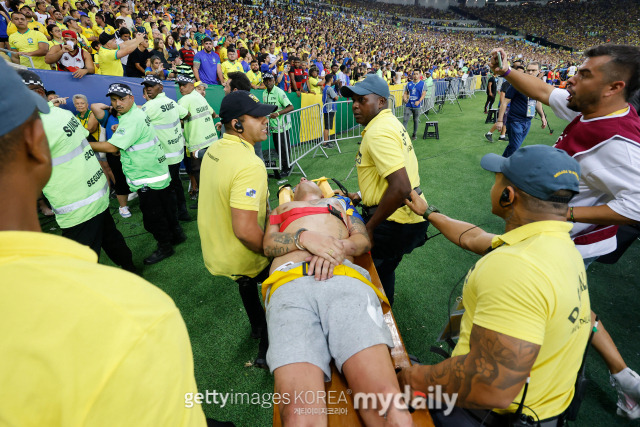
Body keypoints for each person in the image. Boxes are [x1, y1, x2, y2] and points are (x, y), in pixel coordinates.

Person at [0, 60, 207, 427]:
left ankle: (141, 259)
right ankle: (134, 266)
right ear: (34, 145)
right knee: (116, 238)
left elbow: (109, 140)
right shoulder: (140, 313)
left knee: (130, 231)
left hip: (90, 198)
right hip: (97, 194)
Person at [491, 44, 640, 419]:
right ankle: (626, 380)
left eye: (584, 74)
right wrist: (507, 71)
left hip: (568, 243)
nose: (571, 79)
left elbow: (637, 205)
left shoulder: (620, 142)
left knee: (553, 318)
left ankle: (548, 399)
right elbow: (543, 91)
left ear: (613, 87)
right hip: (561, 237)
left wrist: (565, 212)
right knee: (577, 310)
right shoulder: (591, 107)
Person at [399, 145, 590, 426]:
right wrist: (429, 212)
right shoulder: (560, 248)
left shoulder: (516, 266)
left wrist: (412, 377)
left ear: (507, 195)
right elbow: (474, 237)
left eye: (498, 178)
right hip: (544, 412)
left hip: (486, 414)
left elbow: (490, 386)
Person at [261, 178, 412, 426]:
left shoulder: (341, 203)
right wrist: (303, 238)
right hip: (289, 284)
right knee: (299, 415)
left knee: (387, 407)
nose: (302, 178)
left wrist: (331, 249)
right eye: (298, 180)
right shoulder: (280, 210)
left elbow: (362, 241)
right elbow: (268, 245)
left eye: (307, 177)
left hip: (343, 278)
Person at [17, 69, 136, 274]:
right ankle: (131, 270)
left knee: (81, 264)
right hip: (96, 193)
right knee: (111, 238)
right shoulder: (61, 113)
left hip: (76, 204)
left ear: (36, 93)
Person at [197, 90, 277, 368]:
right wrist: (272, 251)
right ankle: (267, 350)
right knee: (278, 288)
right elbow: (245, 230)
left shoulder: (214, 149)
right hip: (242, 251)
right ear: (237, 124)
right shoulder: (249, 163)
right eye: (258, 117)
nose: (267, 120)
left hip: (217, 250)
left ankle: (256, 327)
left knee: (246, 283)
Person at [340, 75, 429, 307]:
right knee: (384, 271)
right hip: (404, 217)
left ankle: (380, 325)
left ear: (381, 102)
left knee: (368, 275)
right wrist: (360, 194)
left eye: (362, 100)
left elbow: (400, 186)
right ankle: (385, 311)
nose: (355, 106)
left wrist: (370, 227)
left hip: (393, 222)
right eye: (353, 101)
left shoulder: (378, 131)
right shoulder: (389, 123)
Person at [90, 83, 185, 265]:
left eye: (121, 99)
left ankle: (165, 246)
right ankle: (177, 235)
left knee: (153, 218)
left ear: (131, 99)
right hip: (157, 172)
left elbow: (112, 147)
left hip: (147, 177)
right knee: (167, 208)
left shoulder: (132, 118)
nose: (117, 103)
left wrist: (84, 144)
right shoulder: (136, 114)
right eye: (113, 100)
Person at [141, 75, 191, 222]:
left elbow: (137, 123)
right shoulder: (171, 102)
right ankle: (183, 213)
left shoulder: (149, 106)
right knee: (176, 183)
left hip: (162, 155)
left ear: (160, 87)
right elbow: (187, 114)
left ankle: (173, 218)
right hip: (176, 151)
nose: (148, 88)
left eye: (151, 85)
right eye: (146, 86)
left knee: (165, 189)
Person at [177, 75, 219, 203]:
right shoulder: (200, 98)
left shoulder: (185, 99)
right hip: (212, 140)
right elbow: (212, 114)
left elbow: (179, 119)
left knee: (197, 170)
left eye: (184, 85)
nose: (181, 88)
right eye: (179, 86)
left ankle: (206, 200)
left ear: (192, 85)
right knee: (212, 170)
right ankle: (215, 196)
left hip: (197, 142)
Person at [496, 62, 547, 157]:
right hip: (515, 121)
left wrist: (543, 117)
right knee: (515, 147)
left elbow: (537, 102)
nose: (530, 72)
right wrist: (500, 120)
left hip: (528, 121)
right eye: (528, 70)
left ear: (539, 71)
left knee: (513, 146)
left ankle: (502, 162)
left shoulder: (538, 85)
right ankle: (505, 166)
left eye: (533, 70)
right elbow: (504, 102)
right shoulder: (517, 84)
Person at [262, 72, 294, 177]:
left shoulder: (279, 92)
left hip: (282, 127)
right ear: (264, 82)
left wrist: (278, 113)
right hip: (273, 127)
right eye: (266, 80)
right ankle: (284, 166)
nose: (268, 82)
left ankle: (286, 168)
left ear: (274, 81)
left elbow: (290, 107)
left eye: (270, 80)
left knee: (283, 149)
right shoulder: (264, 93)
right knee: (278, 149)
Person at [402, 69, 426, 140]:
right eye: (414, 74)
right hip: (408, 105)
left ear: (420, 75)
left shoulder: (423, 84)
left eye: (417, 74)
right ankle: (404, 135)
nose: (415, 75)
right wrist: (405, 98)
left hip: (417, 106)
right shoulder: (409, 84)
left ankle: (414, 134)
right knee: (405, 120)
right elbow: (405, 93)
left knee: (415, 120)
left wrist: (419, 101)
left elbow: (424, 94)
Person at [322, 73, 339, 145]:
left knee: (327, 126)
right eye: (332, 78)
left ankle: (326, 140)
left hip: (327, 108)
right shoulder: (329, 88)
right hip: (329, 109)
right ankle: (325, 142)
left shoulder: (326, 87)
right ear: (331, 79)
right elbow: (336, 98)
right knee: (327, 126)